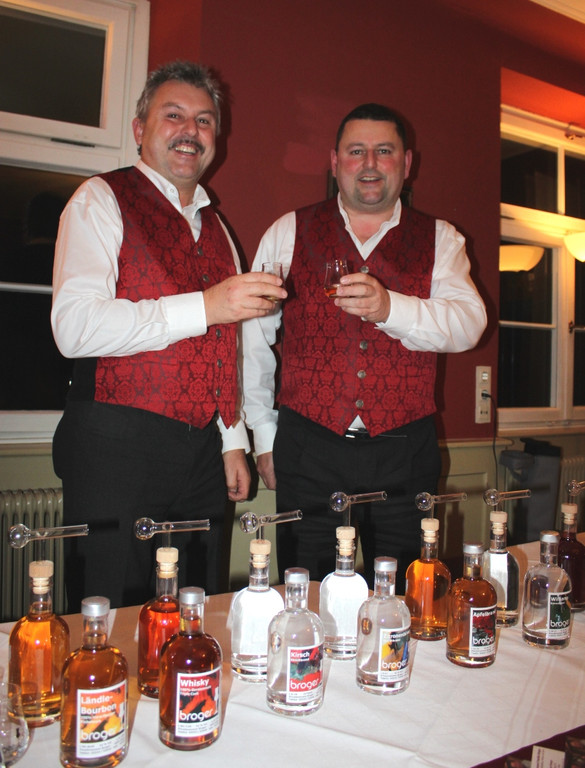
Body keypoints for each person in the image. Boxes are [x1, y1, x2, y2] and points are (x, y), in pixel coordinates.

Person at [51, 61, 286, 611]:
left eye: (204, 121)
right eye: (174, 115)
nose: (191, 131)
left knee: (193, 609)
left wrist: (232, 440)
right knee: (111, 611)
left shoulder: (219, 228)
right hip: (114, 444)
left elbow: (226, 345)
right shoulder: (99, 199)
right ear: (140, 128)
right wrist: (206, 305)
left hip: (202, 453)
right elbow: (74, 327)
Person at [242, 103, 487, 591]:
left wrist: (391, 308)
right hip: (307, 448)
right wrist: (264, 436)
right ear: (335, 162)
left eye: (384, 151)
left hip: (405, 451)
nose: (370, 164)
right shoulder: (288, 231)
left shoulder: (441, 239)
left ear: (407, 163)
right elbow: (253, 338)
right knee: (305, 592)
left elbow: (469, 325)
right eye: (356, 151)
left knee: (403, 594)